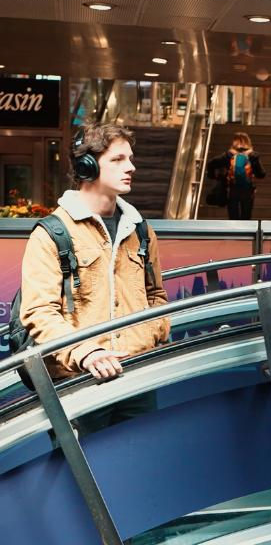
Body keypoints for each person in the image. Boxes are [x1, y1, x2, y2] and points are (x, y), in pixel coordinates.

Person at [19, 123, 170, 433]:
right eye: (118, 159)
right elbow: (39, 312)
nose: (131, 167)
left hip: (138, 378)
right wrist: (87, 352)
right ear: (87, 166)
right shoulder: (53, 233)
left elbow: (156, 296)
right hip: (80, 383)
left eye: (130, 158)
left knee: (145, 469)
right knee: (83, 475)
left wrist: (152, 333)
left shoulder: (140, 230)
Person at [207, 132, 265, 220]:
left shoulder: (228, 155)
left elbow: (211, 163)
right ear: (248, 142)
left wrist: (214, 176)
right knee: (246, 216)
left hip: (232, 189)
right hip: (248, 190)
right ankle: (246, 232)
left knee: (233, 217)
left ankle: (234, 232)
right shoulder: (253, 155)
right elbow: (261, 174)